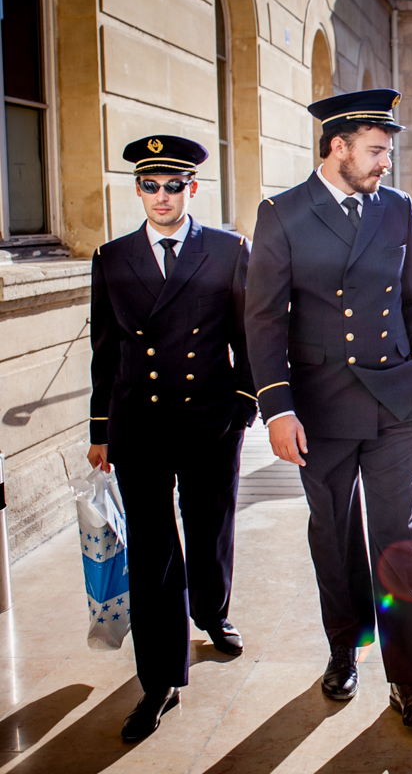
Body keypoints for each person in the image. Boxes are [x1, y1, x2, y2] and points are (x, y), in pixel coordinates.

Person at [244, 89, 412, 728]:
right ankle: (346, 646)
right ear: (338, 147)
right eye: (377, 151)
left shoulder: (397, 208)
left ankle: (408, 677)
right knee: (332, 532)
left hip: (394, 403)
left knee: (396, 537)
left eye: (388, 152)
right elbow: (265, 320)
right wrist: (277, 410)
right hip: (320, 409)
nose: (386, 163)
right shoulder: (283, 213)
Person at [88, 136, 256, 742]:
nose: (163, 196)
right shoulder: (111, 257)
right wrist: (100, 429)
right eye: (151, 185)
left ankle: (212, 611)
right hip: (139, 424)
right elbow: (104, 351)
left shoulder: (229, 250)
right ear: (137, 190)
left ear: (192, 189)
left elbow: (249, 335)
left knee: (210, 526)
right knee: (153, 552)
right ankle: (159, 679)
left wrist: (243, 403)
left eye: (174, 185)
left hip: (210, 418)